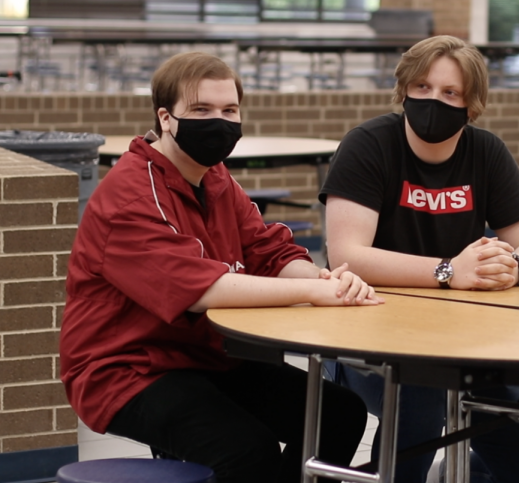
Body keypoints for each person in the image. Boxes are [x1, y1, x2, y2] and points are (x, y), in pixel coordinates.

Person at [60, 52, 383, 483]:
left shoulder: (214, 176)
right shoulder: (130, 196)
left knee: (340, 414)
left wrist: (324, 279)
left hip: (207, 356)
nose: (220, 121)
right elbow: (200, 289)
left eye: (229, 110)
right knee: (248, 451)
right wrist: (312, 293)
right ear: (166, 118)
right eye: (201, 110)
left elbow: (267, 250)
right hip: (127, 370)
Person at [318, 35, 519, 483]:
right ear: (404, 91)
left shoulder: (486, 152)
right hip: (369, 338)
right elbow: (347, 256)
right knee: (423, 401)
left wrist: (514, 268)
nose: (434, 100)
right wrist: (450, 272)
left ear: (471, 105)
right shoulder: (368, 145)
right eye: (423, 88)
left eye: (450, 93)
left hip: (464, 343)